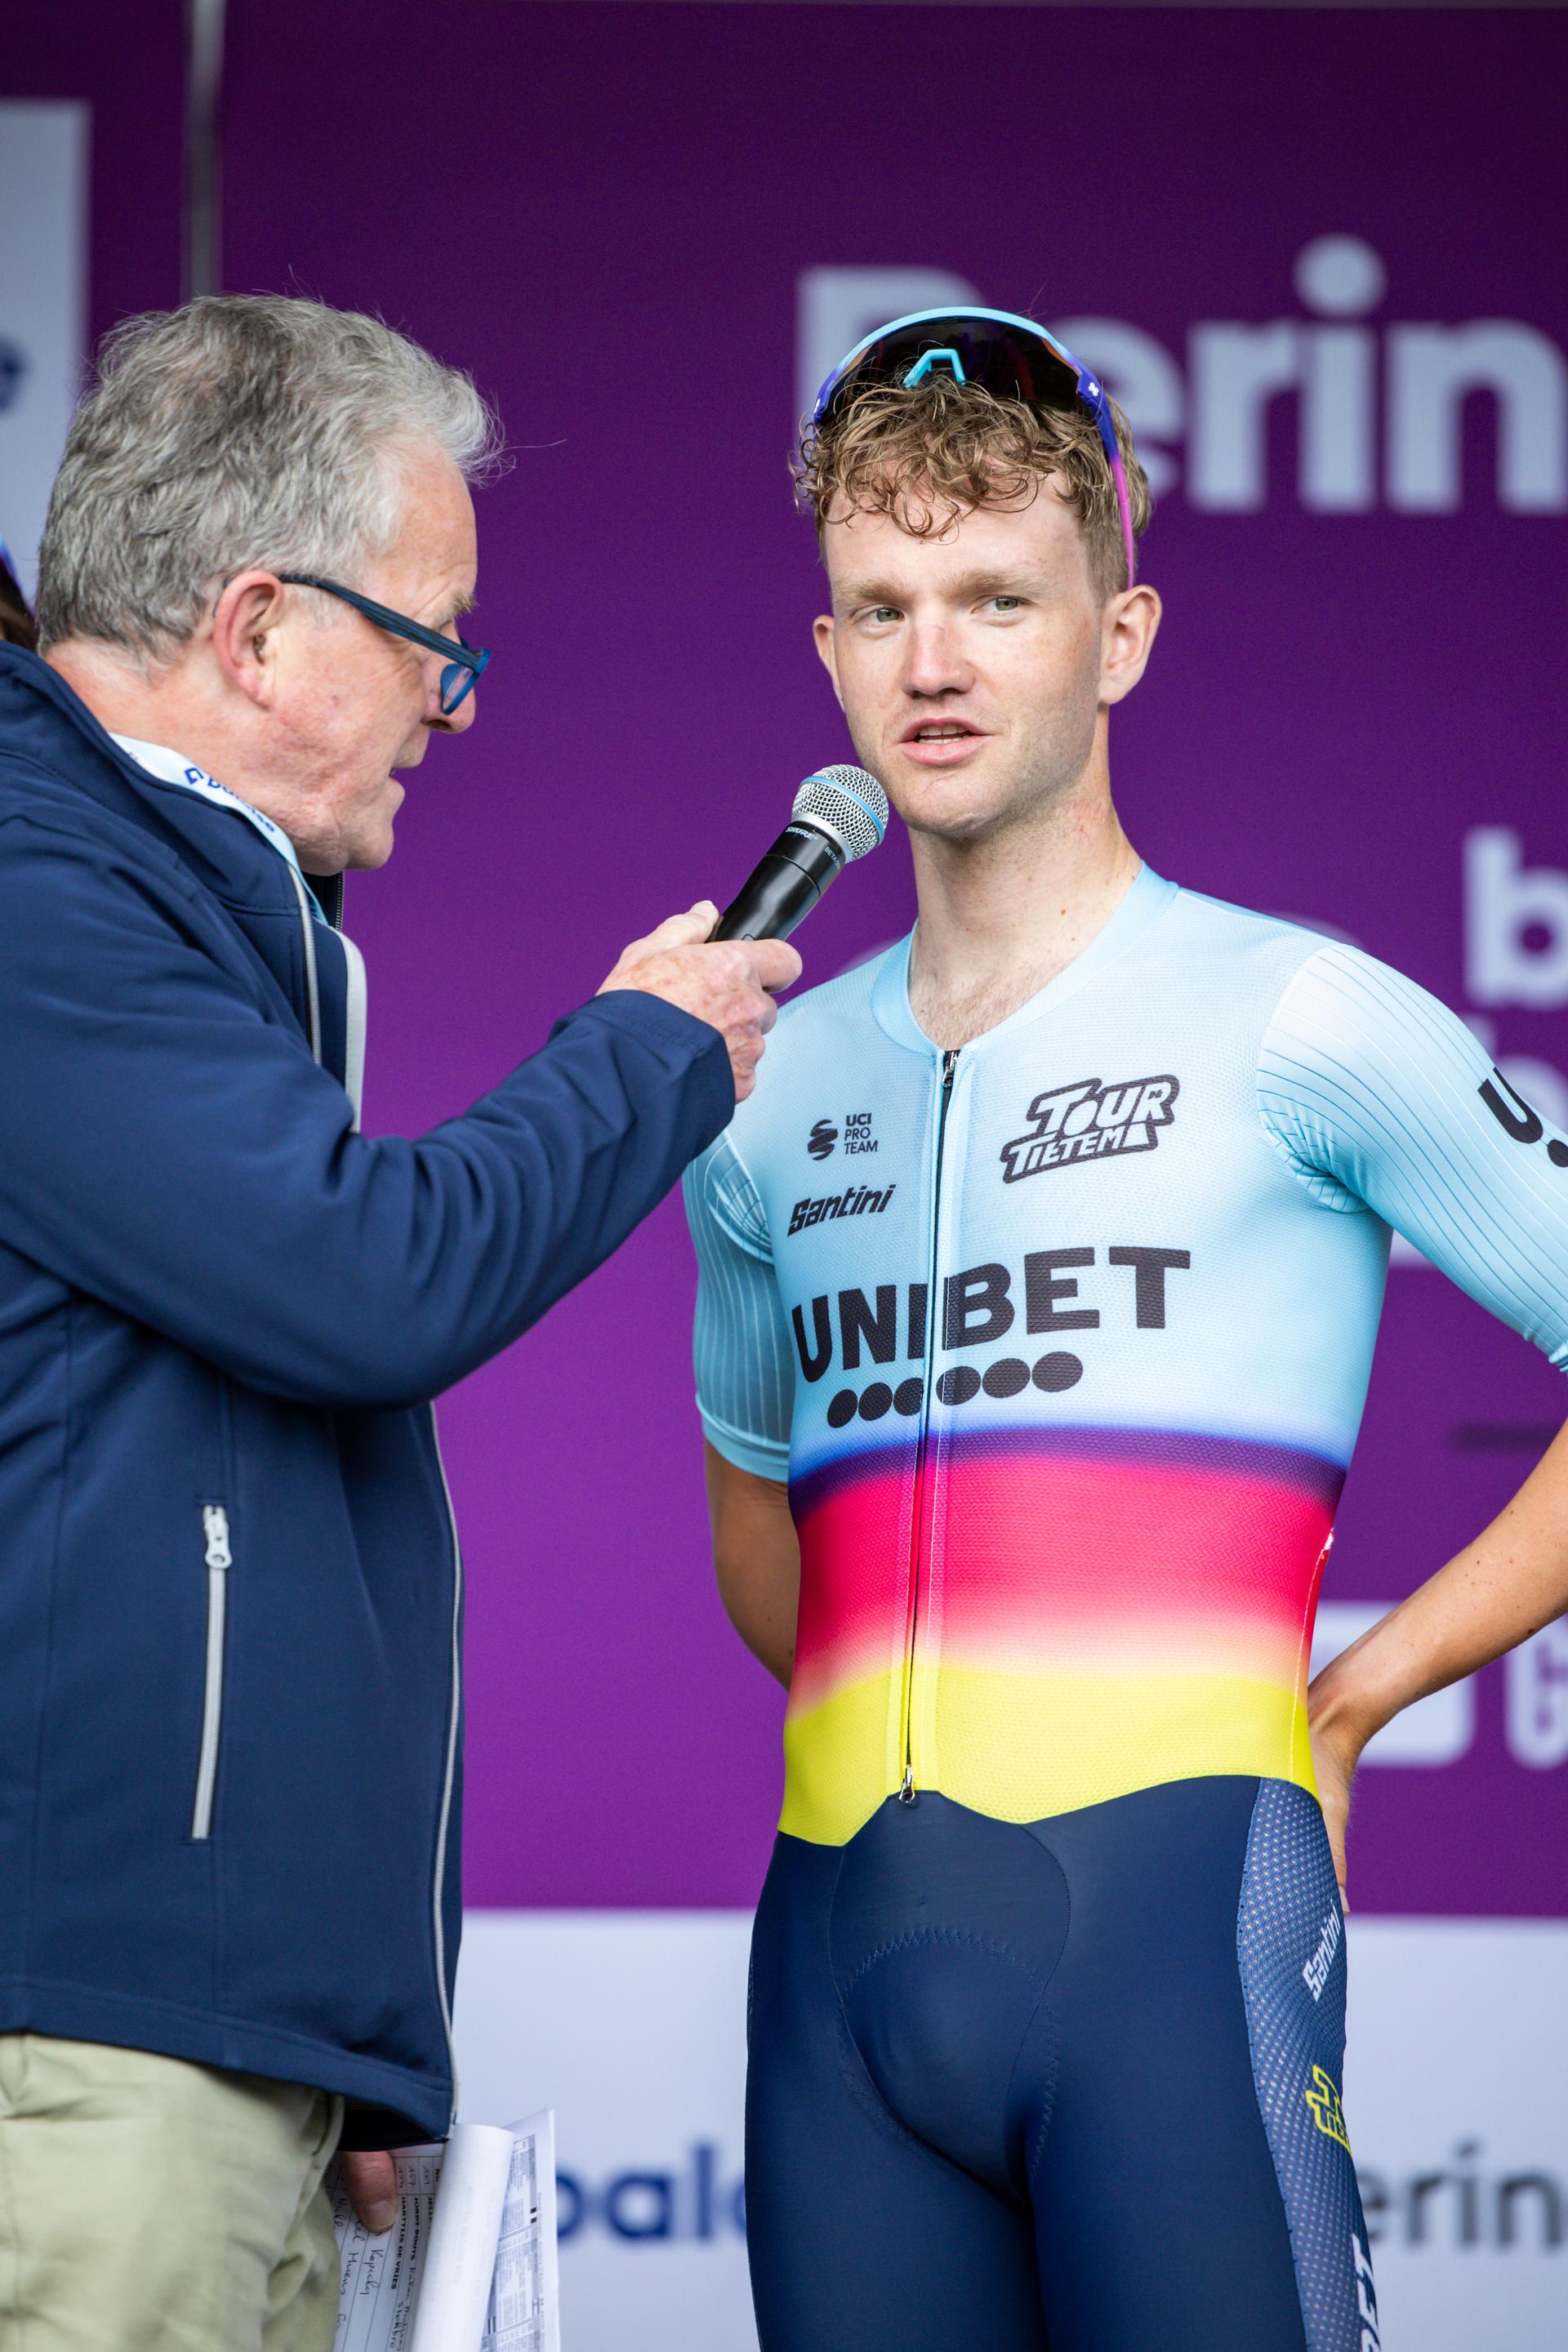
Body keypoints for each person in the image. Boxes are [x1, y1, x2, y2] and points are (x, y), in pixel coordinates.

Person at [684, 307, 1568, 2352]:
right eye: (881, 607)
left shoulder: (1298, 1018)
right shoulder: (765, 1086)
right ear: (826, 653)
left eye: (999, 597)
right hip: (835, 1970)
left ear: (1122, 634)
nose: (934, 659)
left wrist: (1353, 1698)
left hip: (1172, 1929)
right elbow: (759, 1535)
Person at [0, 293, 797, 2350]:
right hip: (85, 2035)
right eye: (435, 641)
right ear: (260, 629)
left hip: (210, 2034)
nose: (455, 707)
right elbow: (367, 1283)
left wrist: (346, 2018)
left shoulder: (169, 897)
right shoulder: (37, 878)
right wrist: (645, 1056)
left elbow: (241, 1493)